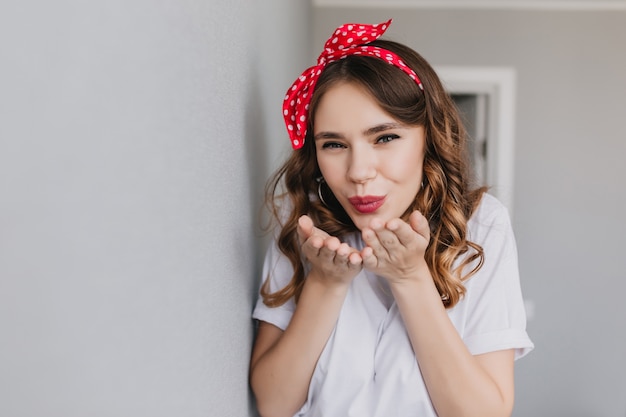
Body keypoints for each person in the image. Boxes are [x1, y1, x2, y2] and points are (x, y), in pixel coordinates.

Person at [249, 19, 533, 417]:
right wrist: (326, 284)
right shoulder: (302, 224)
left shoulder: (481, 225)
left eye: (385, 137)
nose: (358, 172)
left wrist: (409, 277)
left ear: (428, 137)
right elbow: (274, 404)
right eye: (333, 144)